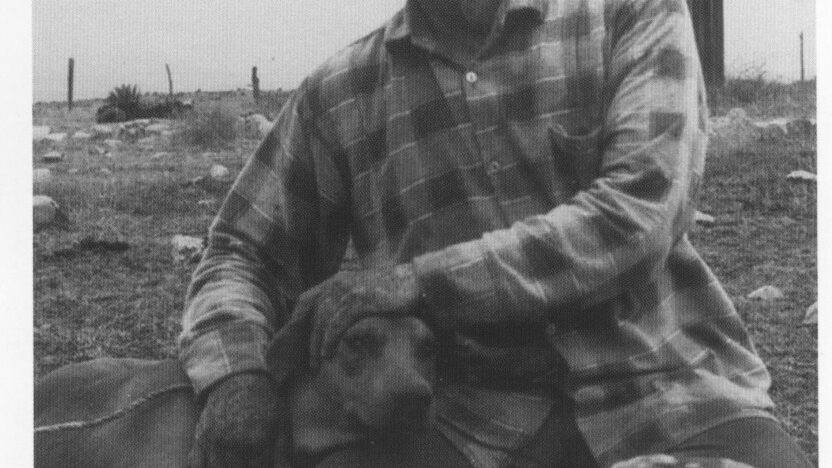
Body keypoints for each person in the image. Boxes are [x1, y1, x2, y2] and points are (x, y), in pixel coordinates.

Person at [180, 0, 813, 466]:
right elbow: (242, 252)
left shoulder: (630, 14)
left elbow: (640, 213)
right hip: (460, 420)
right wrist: (236, 376)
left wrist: (421, 283)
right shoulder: (341, 92)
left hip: (669, 390)